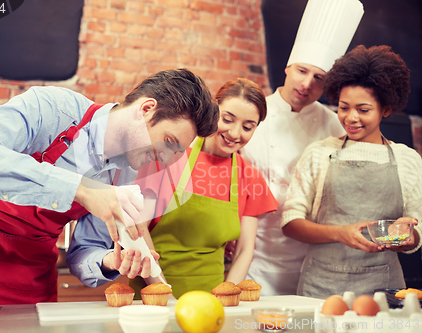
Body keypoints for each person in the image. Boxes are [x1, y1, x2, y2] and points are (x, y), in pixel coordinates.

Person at [0, 68, 220, 305]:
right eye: (169, 141)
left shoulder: (125, 175)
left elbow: (83, 251)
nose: (166, 158)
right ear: (147, 110)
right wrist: (82, 189)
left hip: (35, 277)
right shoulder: (53, 109)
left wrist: (108, 261)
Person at [68, 78, 278, 298]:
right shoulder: (167, 156)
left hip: (212, 298)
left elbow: (245, 250)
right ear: (213, 114)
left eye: (247, 127)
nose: (235, 133)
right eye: (227, 119)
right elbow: (139, 227)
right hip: (154, 293)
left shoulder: (249, 176)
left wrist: (226, 296)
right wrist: (163, 292)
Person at [238, 0, 364, 295]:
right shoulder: (252, 115)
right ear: (287, 67)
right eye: (302, 71)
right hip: (253, 254)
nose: (307, 83)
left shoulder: (335, 125)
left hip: (313, 258)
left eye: (319, 78)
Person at [281, 45, 422, 298]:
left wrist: (407, 235)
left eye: (364, 109)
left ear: (386, 110)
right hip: (321, 288)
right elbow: (291, 223)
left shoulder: (408, 160)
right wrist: (340, 233)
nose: (351, 117)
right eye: (343, 107)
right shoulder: (318, 153)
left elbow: (415, 230)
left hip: (383, 289)